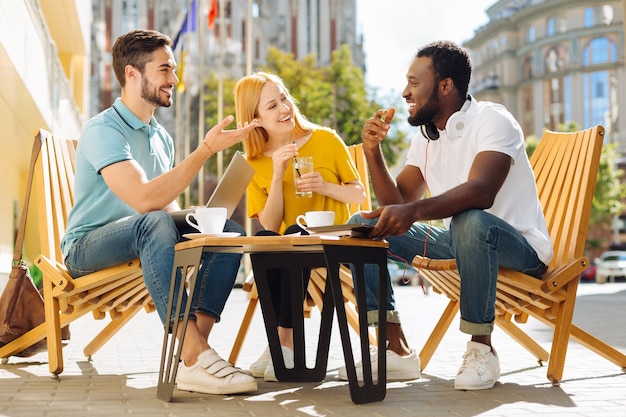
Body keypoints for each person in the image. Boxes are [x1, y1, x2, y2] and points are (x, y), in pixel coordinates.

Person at [342, 40, 553, 390]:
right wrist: (372, 152)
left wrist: (413, 211)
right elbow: (397, 203)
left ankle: (481, 349)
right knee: (363, 227)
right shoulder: (425, 140)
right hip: (460, 244)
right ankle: (396, 350)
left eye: (414, 83)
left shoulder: (492, 119)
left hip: (520, 251)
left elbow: (482, 192)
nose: (405, 93)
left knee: (470, 220)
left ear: (445, 85)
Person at [60, 30, 260, 395]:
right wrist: (203, 151)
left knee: (226, 231)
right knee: (151, 222)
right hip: (87, 248)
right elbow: (143, 201)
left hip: (142, 234)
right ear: (132, 74)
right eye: (165, 69)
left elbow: (165, 209)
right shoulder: (104, 130)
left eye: (174, 69)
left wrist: (200, 223)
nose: (174, 79)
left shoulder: (160, 137)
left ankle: (194, 353)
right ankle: (195, 354)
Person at [233, 71, 367, 381]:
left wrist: (325, 187)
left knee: (295, 233)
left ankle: (283, 344)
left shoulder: (325, 139)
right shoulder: (254, 162)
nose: (284, 109)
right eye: (272, 106)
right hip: (288, 254)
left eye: (284, 98)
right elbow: (268, 224)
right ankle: (284, 347)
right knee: (268, 239)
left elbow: (358, 193)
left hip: (332, 247)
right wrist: (278, 174)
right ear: (255, 119)